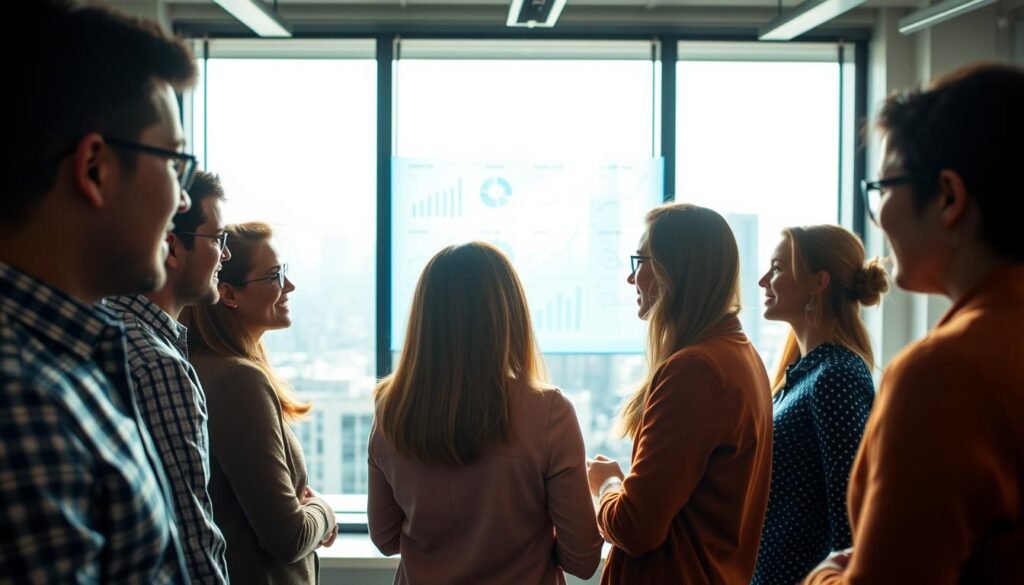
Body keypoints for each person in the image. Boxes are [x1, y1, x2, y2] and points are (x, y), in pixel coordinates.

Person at [805, 63, 1024, 584]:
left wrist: (828, 576)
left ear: (949, 197)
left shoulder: (945, 375)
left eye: (883, 186)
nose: (879, 213)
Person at [1, 0, 196, 581]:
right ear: (95, 169)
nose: (181, 200)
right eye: (173, 163)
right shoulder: (25, 401)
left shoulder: (69, 362)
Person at [368, 242, 602, 585]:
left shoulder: (391, 410)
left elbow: (386, 538)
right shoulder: (549, 413)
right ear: (509, 315)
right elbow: (582, 559)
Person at [586, 203, 773, 584]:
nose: (631, 277)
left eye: (640, 260)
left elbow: (634, 528)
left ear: (675, 268)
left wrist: (605, 484)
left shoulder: (696, 370)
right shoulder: (741, 356)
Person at [181, 222, 336, 584]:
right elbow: (289, 536)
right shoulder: (238, 381)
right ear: (229, 294)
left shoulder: (206, 367)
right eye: (274, 275)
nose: (289, 286)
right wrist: (323, 510)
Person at [105, 171, 232, 584]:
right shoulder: (160, 366)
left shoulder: (111, 331)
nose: (225, 256)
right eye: (218, 239)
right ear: (173, 247)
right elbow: (192, 537)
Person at [751, 225, 888, 585]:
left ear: (819, 282)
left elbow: (851, 511)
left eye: (778, 268)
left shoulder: (835, 376)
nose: (764, 280)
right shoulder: (798, 375)